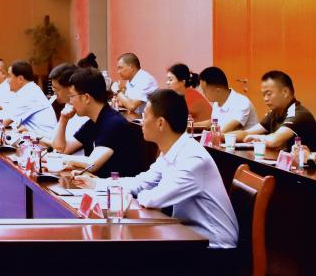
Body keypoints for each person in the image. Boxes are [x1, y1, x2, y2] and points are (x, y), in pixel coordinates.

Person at [75, 90, 239, 256]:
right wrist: (97, 183)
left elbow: (154, 199)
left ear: (160, 123)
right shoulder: (172, 150)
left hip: (215, 248)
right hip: (190, 235)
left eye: (145, 116)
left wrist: (124, 195)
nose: (141, 122)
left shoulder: (193, 159)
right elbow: (141, 183)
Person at [57, 68, 145, 178]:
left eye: (72, 96)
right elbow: (62, 149)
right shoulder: (94, 122)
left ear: (86, 98)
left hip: (116, 186)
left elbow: (92, 164)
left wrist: (61, 158)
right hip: (96, 182)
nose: (70, 102)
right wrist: (63, 120)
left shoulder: (114, 123)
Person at [238, 70, 316, 151]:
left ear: (285, 92)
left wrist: (257, 137)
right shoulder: (275, 112)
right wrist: (229, 136)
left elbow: (274, 141)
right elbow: (247, 133)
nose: (265, 99)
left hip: (310, 162)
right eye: (263, 95)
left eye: (269, 94)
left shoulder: (299, 114)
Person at [0, 61, 57, 141]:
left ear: (20, 79)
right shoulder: (27, 90)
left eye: (9, 76)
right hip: (34, 139)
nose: (7, 81)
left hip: (44, 143)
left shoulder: (30, 93)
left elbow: (3, 122)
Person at [198, 67, 258, 133]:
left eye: (204, 90)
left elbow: (223, 132)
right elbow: (213, 122)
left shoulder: (241, 102)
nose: (203, 93)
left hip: (244, 139)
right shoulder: (217, 104)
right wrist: (192, 125)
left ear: (217, 91)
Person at [44, 64, 87, 154]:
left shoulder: (84, 114)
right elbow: (55, 142)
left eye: (57, 90)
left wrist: (37, 138)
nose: (55, 94)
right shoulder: (68, 106)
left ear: (71, 88)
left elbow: (60, 150)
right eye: (53, 90)